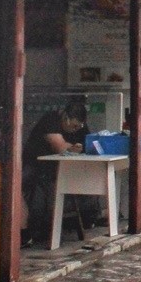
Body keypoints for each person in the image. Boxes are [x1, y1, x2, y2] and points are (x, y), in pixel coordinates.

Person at [21, 97, 87, 245]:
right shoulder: (51, 120)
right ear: (65, 117)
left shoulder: (79, 127)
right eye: (74, 126)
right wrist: (72, 148)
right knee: (16, 187)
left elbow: (88, 141)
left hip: (57, 168)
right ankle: (24, 232)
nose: (75, 130)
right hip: (34, 163)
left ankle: (89, 216)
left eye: (79, 127)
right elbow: (60, 147)